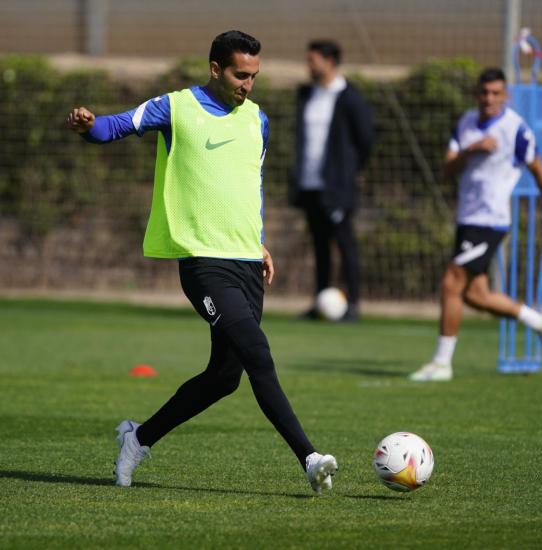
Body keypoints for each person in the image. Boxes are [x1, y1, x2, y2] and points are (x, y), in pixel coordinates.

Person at [66, 30, 338, 493]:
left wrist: (261, 243)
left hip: (247, 263)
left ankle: (139, 438)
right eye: (239, 74)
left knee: (223, 377)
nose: (247, 84)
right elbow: (114, 127)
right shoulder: (175, 108)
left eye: (254, 75)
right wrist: (90, 124)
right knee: (258, 354)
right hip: (204, 265)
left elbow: (247, 189)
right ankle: (310, 457)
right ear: (215, 69)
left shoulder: (258, 121)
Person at [409, 68, 542, 382]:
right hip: (467, 218)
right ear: (476, 94)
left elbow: (537, 168)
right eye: (484, 92)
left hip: (491, 220)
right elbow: (446, 170)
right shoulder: (466, 124)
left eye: (496, 93)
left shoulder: (516, 129)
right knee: (474, 296)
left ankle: (442, 363)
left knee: (450, 282)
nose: (489, 99)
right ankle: (541, 323)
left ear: (505, 96)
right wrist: (472, 149)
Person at [290, 40, 374, 322]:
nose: (309, 65)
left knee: (344, 242)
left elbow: (366, 139)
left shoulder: (349, 96)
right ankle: (321, 302)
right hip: (310, 183)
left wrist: (352, 171)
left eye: (313, 60)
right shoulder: (307, 95)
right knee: (319, 245)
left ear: (330, 62)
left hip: (337, 187)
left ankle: (353, 304)